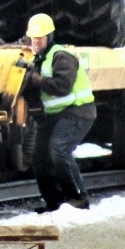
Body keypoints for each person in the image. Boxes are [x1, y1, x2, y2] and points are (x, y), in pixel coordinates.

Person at [22, 12, 95, 210]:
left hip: (78, 111)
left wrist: (36, 80)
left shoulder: (61, 56)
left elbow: (62, 86)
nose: (36, 42)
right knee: (39, 157)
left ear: (49, 37)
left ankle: (79, 198)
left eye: (40, 38)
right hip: (56, 115)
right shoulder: (39, 58)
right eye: (33, 39)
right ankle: (54, 202)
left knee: (59, 149)